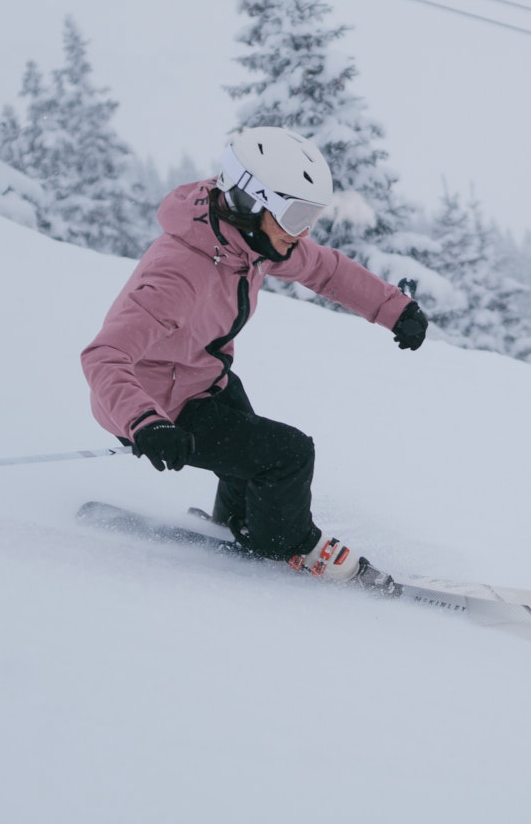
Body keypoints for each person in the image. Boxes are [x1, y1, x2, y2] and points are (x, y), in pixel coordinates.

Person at [81, 126, 428, 584]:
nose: (303, 231)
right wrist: (146, 422)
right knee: (288, 455)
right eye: (296, 214)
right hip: (156, 406)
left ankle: (238, 526)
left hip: (200, 377)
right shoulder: (179, 271)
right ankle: (286, 545)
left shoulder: (247, 244)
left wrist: (393, 308)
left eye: (312, 216)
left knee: (249, 448)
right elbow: (104, 355)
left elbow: (325, 269)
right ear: (250, 200)